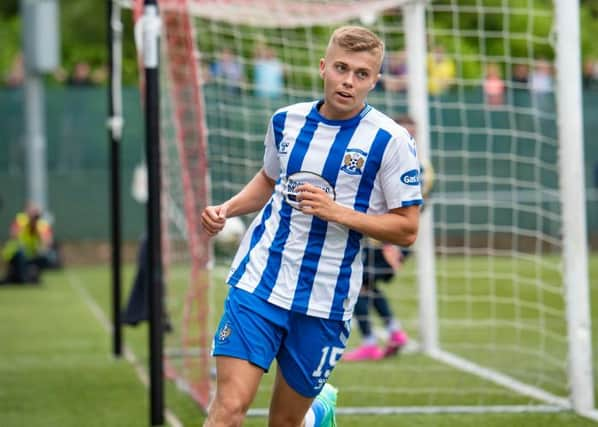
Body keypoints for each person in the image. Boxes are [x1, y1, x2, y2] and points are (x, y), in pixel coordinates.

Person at [201, 26, 422, 427]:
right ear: (323, 67)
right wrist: (228, 208)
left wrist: (338, 212)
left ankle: (315, 413)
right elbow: (270, 179)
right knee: (228, 409)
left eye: (361, 73)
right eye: (341, 68)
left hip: (326, 297)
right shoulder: (286, 121)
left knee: (285, 422)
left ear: (374, 80)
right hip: (260, 279)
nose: (348, 81)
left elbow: (407, 228)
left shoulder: (392, 141)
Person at [343, 115, 434, 362]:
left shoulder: (421, 168)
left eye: (411, 132)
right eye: (403, 130)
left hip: (392, 240)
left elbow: (411, 210)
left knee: (359, 285)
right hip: (377, 238)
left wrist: (390, 243)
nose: (407, 135)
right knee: (367, 285)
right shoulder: (387, 159)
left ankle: (371, 343)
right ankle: (394, 333)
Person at [1, 203, 53, 284]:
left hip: (31, 254)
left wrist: (42, 243)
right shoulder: (21, 220)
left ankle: (33, 275)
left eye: (35, 214)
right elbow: (13, 233)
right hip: (15, 254)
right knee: (20, 255)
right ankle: (22, 278)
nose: (34, 216)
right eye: (32, 212)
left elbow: (48, 241)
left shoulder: (41, 225)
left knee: (48, 257)